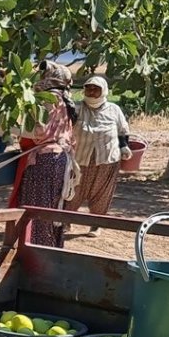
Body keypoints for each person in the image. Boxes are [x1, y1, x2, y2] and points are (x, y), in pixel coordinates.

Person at [8, 61, 80, 247]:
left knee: (37, 208)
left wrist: (11, 128)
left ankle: (37, 249)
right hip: (61, 159)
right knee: (53, 206)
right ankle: (53, 249)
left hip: (45, 160)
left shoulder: (48, 99)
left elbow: (40, 131)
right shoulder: (65, 98)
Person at [65, 76, 132, 232]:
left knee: (102, 193)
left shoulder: (114, 109)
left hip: (107, 160)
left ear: (104, 91)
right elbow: (67, 125)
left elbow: (122, 130)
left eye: (96, 89)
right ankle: (66, 222)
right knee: (73, 190)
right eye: (88, 88)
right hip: (79, 158)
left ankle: (96, 226)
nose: (91, 91)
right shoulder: (77, 108)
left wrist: (124, 146)